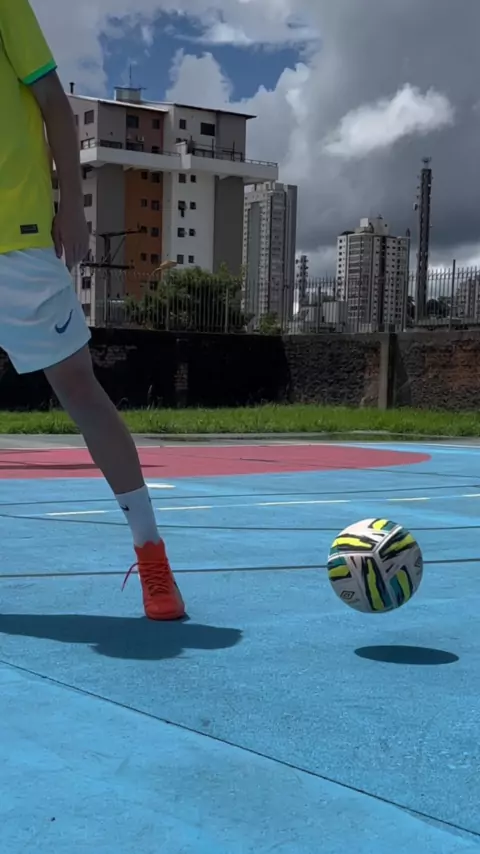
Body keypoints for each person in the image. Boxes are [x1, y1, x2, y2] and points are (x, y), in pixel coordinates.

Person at [0, 0, 186, 621]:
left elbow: (54, 102)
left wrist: (72, 206)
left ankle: (152, 554)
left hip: (16, 239)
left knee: (79, 389)